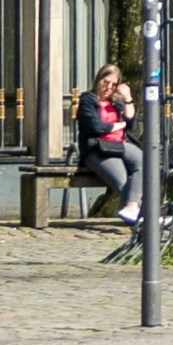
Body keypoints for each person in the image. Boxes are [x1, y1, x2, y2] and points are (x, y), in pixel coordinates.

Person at [72, 65, 140, 228]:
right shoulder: (88, 99)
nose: (108, 87)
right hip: (98, 148)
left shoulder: (116, 102)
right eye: (105, 82)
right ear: (98, 80)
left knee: (144, 162)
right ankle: (144, 217)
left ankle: (133, 207)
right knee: (122, 180)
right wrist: (118, 126)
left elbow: (130, 123)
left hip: (120, 144)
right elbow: (96, 126)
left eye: (114, 84)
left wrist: (128, 98)